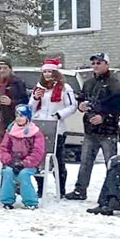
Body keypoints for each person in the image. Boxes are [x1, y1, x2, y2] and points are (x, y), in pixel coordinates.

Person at [65, 52, 120, 201]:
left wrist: (105, 116)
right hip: (90, 130)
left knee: (111, 163)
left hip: (108, 131)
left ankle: (112, 194)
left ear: (107, 64)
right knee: (85, 162)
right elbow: (81, 99)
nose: (95, 66)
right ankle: (80, 190)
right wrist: (81, 106)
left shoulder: (116, 85)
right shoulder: (88, 83)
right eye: (93, 63)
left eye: (99, 63)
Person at [28, 57, 77, 197]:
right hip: (39, 127)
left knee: (57, 160)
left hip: (57, 128)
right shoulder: (39, 88)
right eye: (45, 72)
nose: (47, 74)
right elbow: (30, 108)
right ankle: (40, 188)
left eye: (50, 71)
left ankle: (60, 189)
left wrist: (59, 115)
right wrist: (35, 98)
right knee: (38, 159)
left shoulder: (65, 88)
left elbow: (72, 106)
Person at [0, 104, 45, 209]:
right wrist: (9, 161)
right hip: (12, 162)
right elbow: (3, 148)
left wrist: (24, 163)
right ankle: (7, 201)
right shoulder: (11, 131)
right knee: (7, 172)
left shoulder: (35, 133)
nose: (19, 118)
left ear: (28, 117)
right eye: (17, 116)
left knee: (24, 174)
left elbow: (37, 152)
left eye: (22, 116)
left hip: (29, 164)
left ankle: (31, 202)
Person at [0, 57, 29, 169]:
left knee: (11, 155)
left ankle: (10, 176)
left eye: (4, 68)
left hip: (11, 121)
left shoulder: (17, 83)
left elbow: (25, 102)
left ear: (10, 69)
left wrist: (12, 102)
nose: (2, 71)